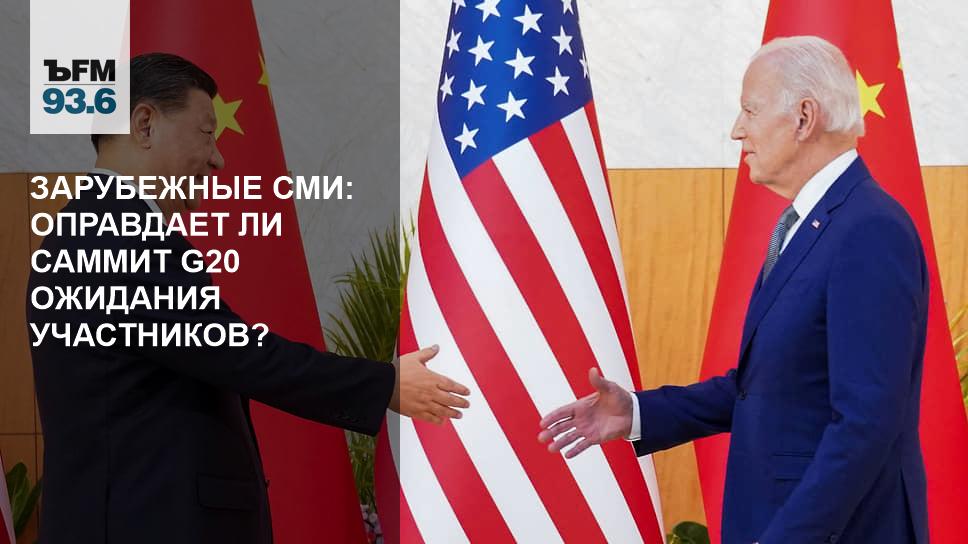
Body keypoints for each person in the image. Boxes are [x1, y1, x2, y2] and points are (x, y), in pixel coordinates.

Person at [28, 53, 469, 543]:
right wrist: (384, 384)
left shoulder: (93, 228)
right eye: (206, 133)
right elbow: (238, 353)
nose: (218, 159)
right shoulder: (113, 234)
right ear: (145, 124)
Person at [538, 36, 928, 544]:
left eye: (750, 110)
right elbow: (766, 386)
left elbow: (865, 424)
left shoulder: (869, 229)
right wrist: (638, 412)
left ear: (804, 118)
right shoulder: (812, 224)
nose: (737, 129)